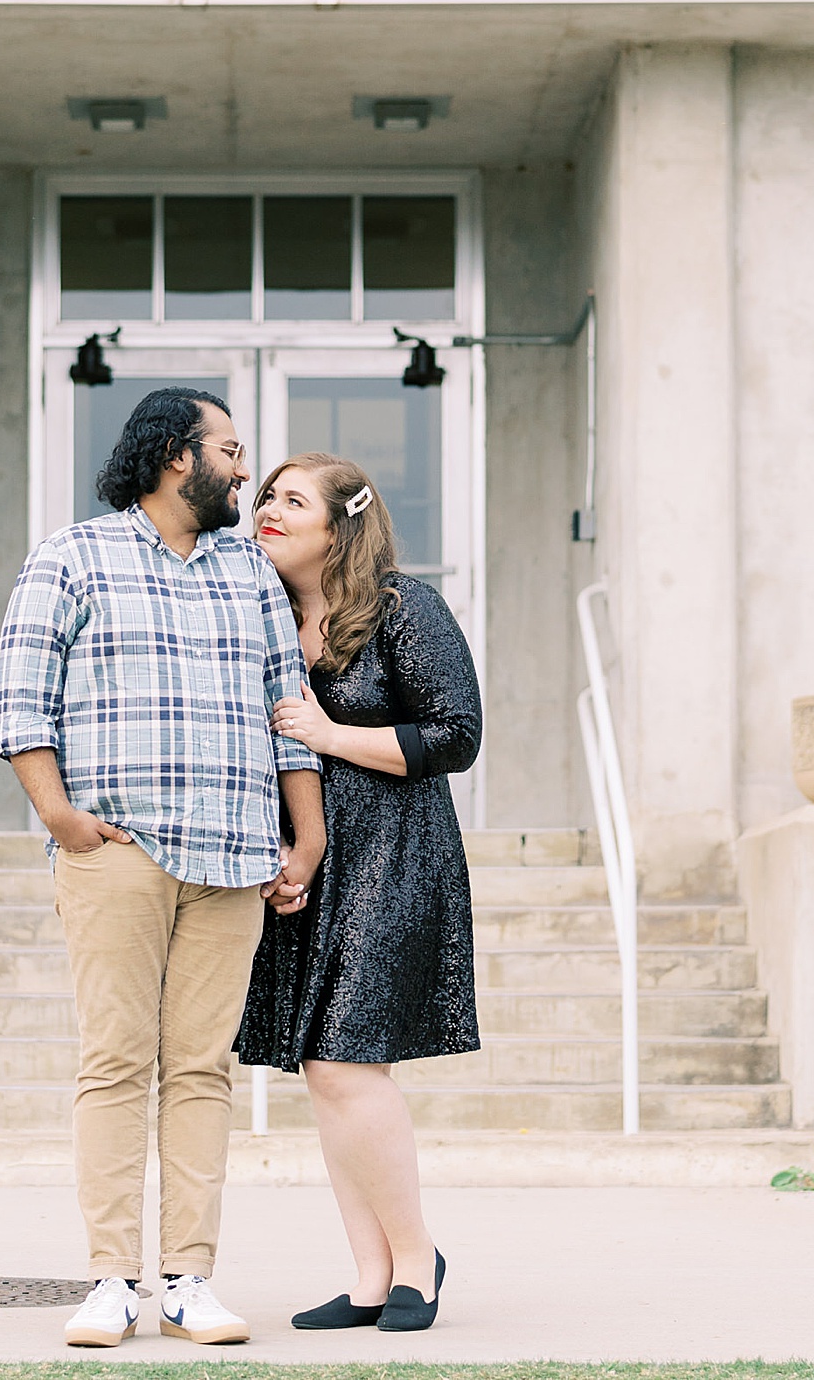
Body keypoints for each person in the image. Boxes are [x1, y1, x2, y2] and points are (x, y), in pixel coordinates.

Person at [0, 387, 325, 1352]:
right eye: (229, 449)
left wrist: (304, 838)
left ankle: (187, 1280)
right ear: (178, 457)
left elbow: (284, 708)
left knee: (200, 1070)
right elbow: (18, 699)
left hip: (231, 857)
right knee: (115, 1064)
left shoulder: (249, 575)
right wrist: (61, 816)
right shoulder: (72, 556)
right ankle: (108, 1281)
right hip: (119, 854)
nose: (242, 468)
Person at [234, 453, 482, 1335]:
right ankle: (372, 1274)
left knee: (346, 1058)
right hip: (312, 865)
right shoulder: (264, 614)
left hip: (396, 853)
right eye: (265, 495)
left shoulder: (401, 605)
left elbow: (457, 734)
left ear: (339, 525)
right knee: (324, 1069)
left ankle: (418, 1256)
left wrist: (333, 733)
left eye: (291, 500)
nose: (267, 509)